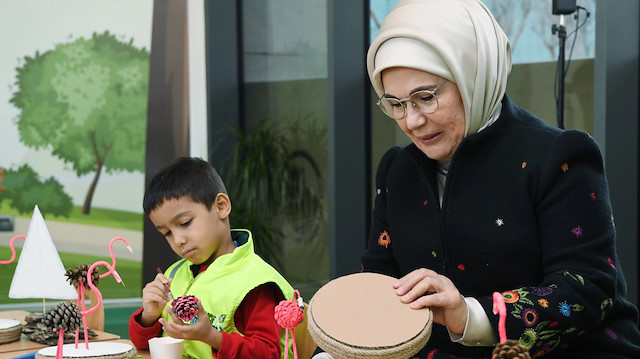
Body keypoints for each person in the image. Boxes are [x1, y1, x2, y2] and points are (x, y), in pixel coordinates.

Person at [358, 0, 640, 358]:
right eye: (396, 104)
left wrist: (471, 314)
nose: (411, 121)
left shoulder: (556, 157)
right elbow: (375, 287)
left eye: (426, 97)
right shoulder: (398, 172)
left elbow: (586, 290)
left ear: (473, 75)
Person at [128, 157, 295, 359]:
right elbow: (141, 346)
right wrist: (149, 316)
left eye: (185, 222)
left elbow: (268, 354)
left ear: (221, 207)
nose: (178, 240)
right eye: (167, 233)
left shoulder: (256, 282)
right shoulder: (175, 273)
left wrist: (212, 336)